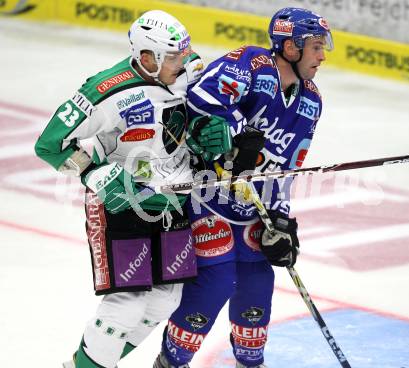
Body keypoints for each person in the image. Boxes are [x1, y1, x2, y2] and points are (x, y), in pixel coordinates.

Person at [34, 9, 218, 368]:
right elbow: (49, 145)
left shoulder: (191, 69)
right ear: (147, 58)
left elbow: (200, 118)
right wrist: (96, 174)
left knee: (165, 299)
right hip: (122, 203)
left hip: (171, 199)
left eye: (184, 53)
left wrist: (209, 133)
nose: (184, 62)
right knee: (127, 304)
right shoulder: (105, 91)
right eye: (174, 57)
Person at [154, 7, 334, 368]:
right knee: (217, 281)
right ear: (291, 46)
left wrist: (280, 222)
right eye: (315, 46)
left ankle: (250, 363)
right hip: (207, 197)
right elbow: (196, 108)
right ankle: (170, 363)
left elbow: (285, 170)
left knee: (256, 290)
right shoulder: (250, 64)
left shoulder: (311, 102)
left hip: (255, 209)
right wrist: (231, 141)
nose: (322, 55)